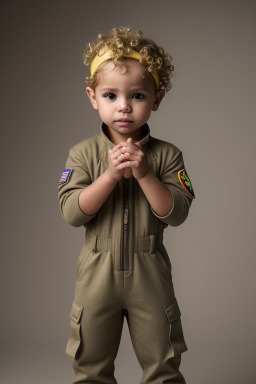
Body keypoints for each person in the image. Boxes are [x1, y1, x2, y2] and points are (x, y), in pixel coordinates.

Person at [58, 26, 195, 384]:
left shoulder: (167, 155)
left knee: (162, 365)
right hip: (96, 272)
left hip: (149, 270)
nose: (123, 106)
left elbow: (176, 213)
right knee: (90, 366)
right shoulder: (83, 153)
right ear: (93, 97)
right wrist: (109, 176)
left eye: (137, 95)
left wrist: (145, 173)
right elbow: (72, 213)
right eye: (110, 95)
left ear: (156, 98)